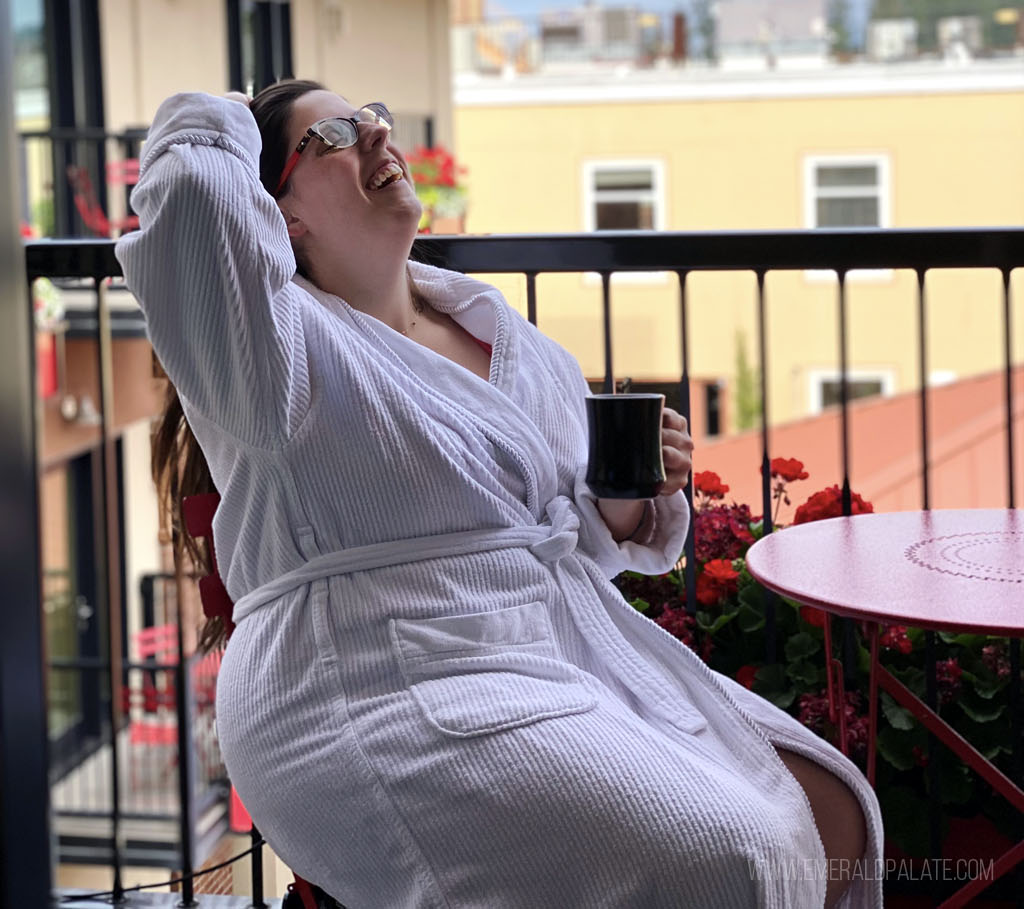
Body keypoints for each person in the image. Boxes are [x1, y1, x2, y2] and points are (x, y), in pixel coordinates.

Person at [116, 81, 883, 909]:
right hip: (370, 678)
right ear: (280, 217)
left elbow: (566, 539)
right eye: (335, 135)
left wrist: (627, 504)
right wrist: (218, 111)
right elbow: (191, 208)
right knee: (722, 856)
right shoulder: (272, 349)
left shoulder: (503, 335)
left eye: (375, 115)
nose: (377, 135)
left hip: (550, 646)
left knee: (838, 810)